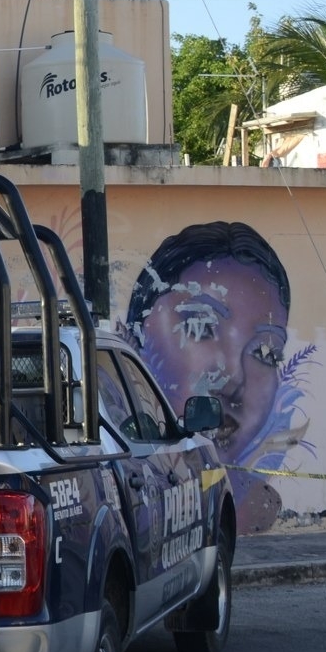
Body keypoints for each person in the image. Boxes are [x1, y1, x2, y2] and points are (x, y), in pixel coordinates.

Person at [126, 221, 294, 533]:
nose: (233, 379)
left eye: (266, 352)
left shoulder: (255, 508)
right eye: (199, 327)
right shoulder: (116, 486)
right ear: (135, 341)